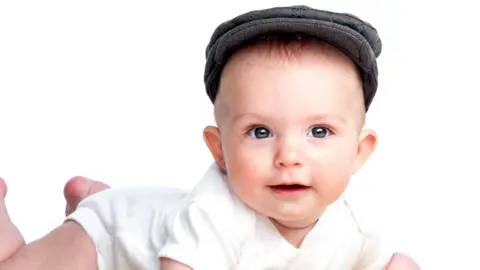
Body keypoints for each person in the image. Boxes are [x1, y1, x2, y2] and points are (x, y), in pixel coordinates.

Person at [0, 5, 421, 270]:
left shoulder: (352, 227)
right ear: (220, 150)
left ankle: (88, 196)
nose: (289, 155)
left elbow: (393, 262)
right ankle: (31, 234)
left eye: (319, 132)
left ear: (358, 152)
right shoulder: (217, 213)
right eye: (260, 132)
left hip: (157, 218)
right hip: (110, 237)